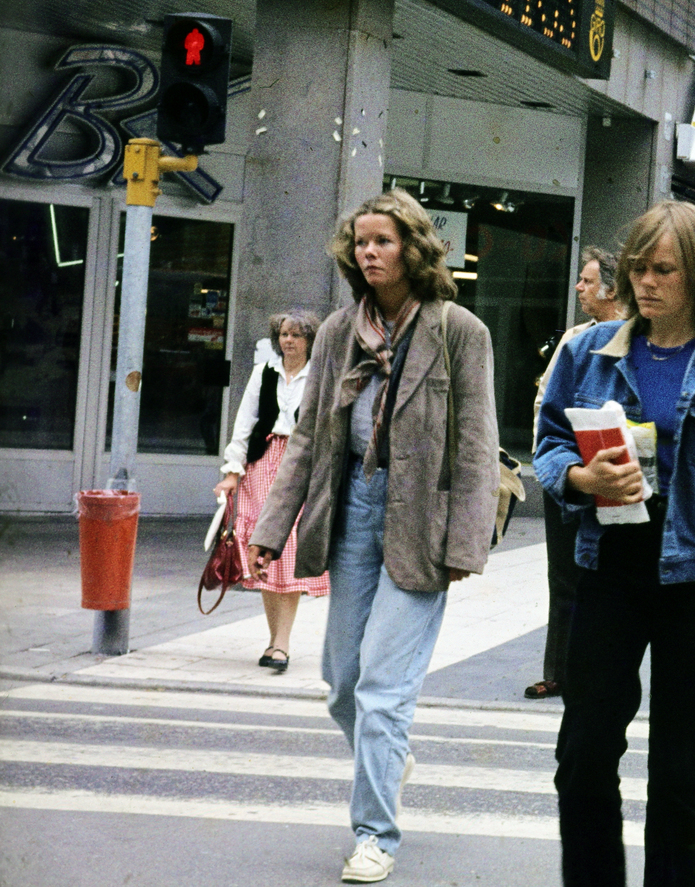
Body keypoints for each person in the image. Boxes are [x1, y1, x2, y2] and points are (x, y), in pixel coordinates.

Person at [532, 201, 695, 887]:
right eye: (637, 269)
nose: (645, 283)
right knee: (583, 754)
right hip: (610, 567)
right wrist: (581, 476)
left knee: (678, 765)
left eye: (663, 270)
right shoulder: (587, 351)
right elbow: (549, 444)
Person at [249, 189, 500, 884]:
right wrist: (274, 526)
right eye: (361, 242)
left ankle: (374, 836)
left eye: (383, 241)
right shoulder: (337, 332)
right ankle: (387, 756)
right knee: (341, 687)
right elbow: (307, 439)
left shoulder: (458, 331)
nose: (369, 252)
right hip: (353, 509)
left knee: (384, 693)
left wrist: (466, 545)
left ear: (413, 248)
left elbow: (477, 445)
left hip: (422, 517)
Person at [525, 247, 620, 701]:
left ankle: (600, 665)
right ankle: (559, 669)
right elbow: (549, 405)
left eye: (587, 280)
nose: (579, 287)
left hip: (616, 475)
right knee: (563, 574)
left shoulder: (640, 338)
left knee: (609, 578)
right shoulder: (575, 338)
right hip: (567, 474)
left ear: (613, 288)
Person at [215, 309, 327, 673]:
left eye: (296, 335)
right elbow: (244, 421)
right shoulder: (263, 372)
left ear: (310, 339)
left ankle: (282, 643)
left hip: (300, 466)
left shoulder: (320, 375)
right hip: (263, 463)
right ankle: (273, 640)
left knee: (289, 550)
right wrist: (233, 470)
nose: (288, 341)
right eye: (283, 334)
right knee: (263, 547)